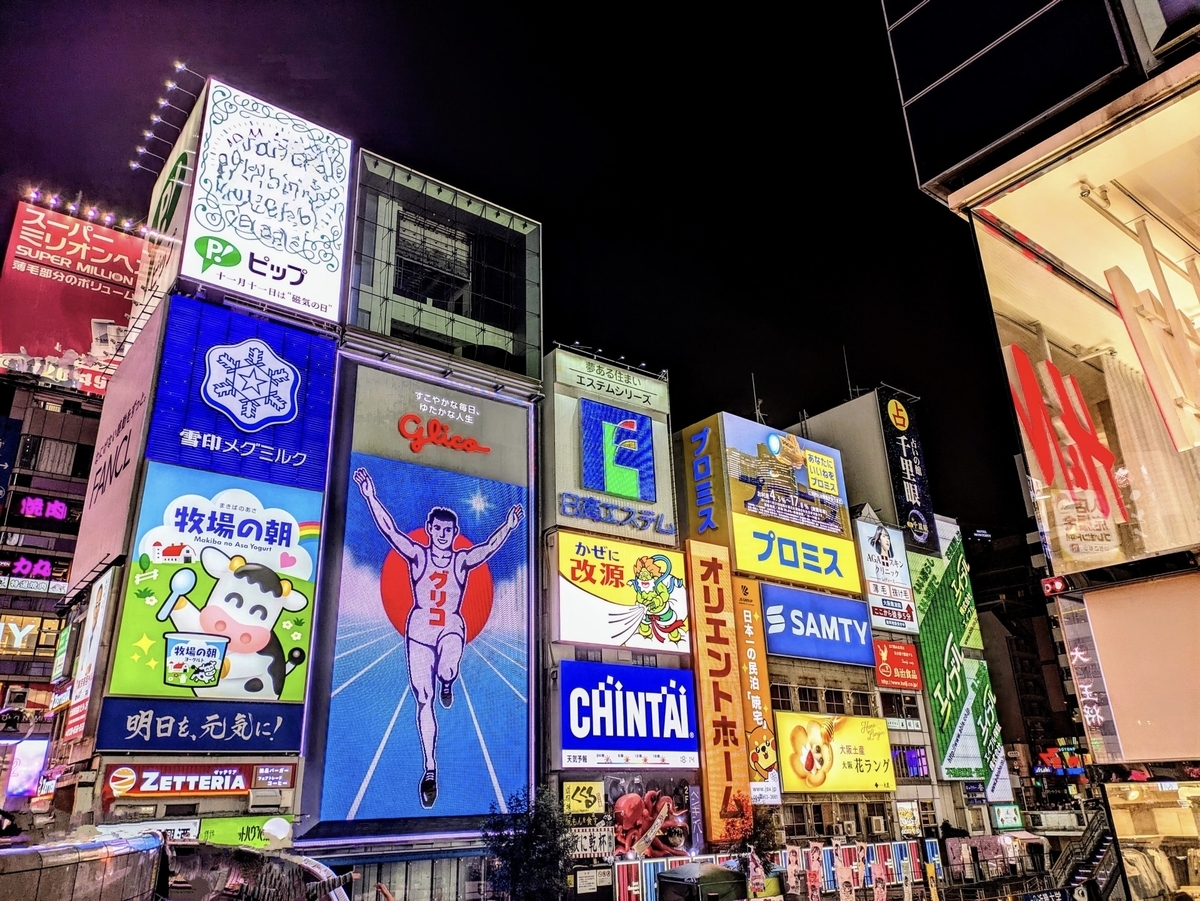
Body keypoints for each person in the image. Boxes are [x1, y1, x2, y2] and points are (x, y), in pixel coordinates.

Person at [354, 467, 523, 809]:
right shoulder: (417, 555)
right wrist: (371, 496)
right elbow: (390, 531)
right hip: (418, 632)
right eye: (438, 528)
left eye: (449, 529)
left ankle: (449, 678)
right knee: (423, 699)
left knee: (447, 664)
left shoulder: (461, 561)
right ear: (430, 530)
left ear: (454, 532)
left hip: (450, 628)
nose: (443, 533)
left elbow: (488, 548)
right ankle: (430, 768)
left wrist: (508, 525)